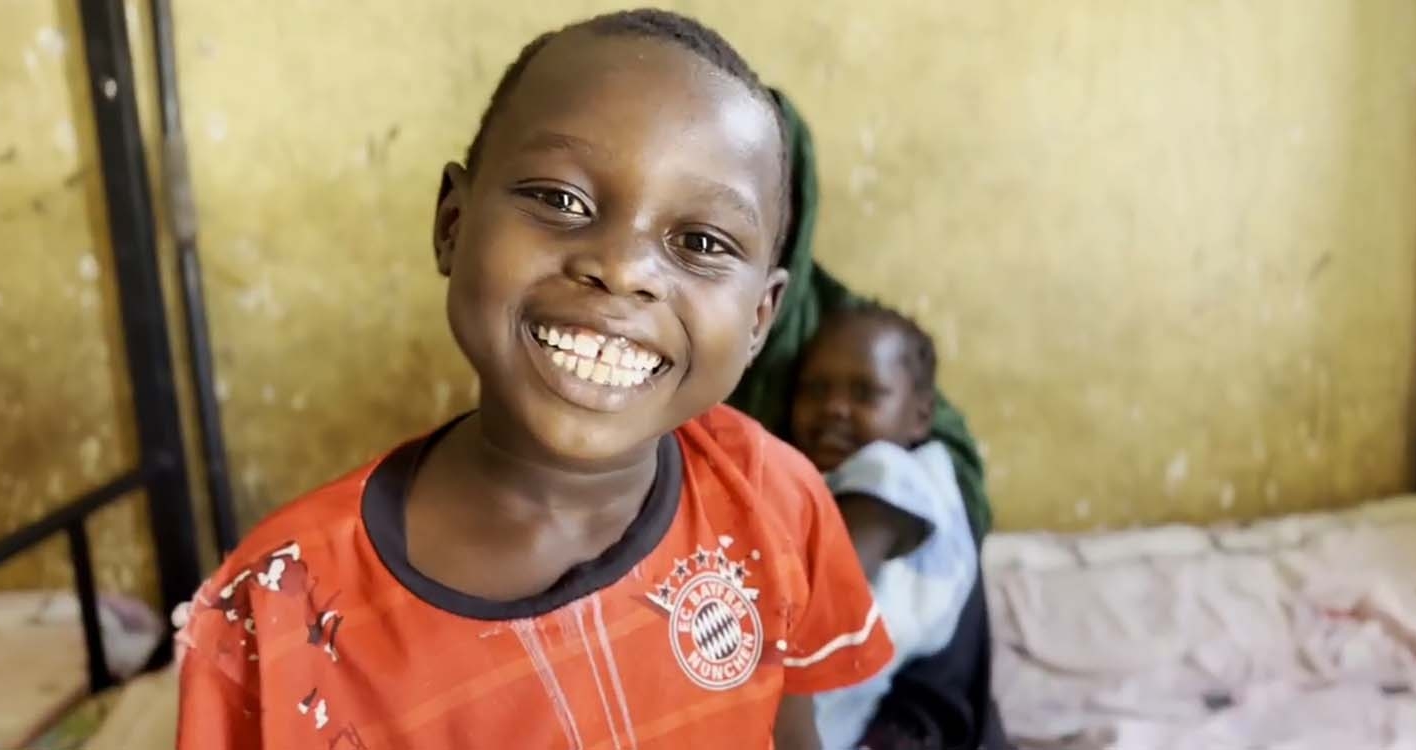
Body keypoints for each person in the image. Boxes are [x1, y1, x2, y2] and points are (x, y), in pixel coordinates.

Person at [175, 10, 892, 749]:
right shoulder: (274, 604)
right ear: (452, 223)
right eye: (560, 199)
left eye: (701, 242)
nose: (620, 268)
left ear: (759, 320)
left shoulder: (774, 501)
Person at [730, 91, 1010, 750]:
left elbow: (938, 478)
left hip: (870, 680)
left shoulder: (840, 329)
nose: (834, 407)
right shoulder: (628, 327)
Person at [787, 303, 979, 750]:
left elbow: (826, 601)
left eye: (865, 393)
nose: (834, 408)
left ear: (921, 416)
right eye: (814, 390)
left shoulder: (890, 472)